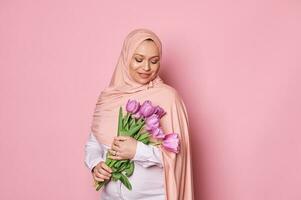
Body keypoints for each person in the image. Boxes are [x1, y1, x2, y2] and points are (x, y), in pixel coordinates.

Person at [84, 28, 194, 200]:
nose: (147, 67)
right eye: (139, 59)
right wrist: (95, 164)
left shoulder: (168, 98)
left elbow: (178, 156)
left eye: (154, 61)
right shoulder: (109, 97)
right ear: (126, 57)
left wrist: (137, 150)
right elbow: (94, 142)